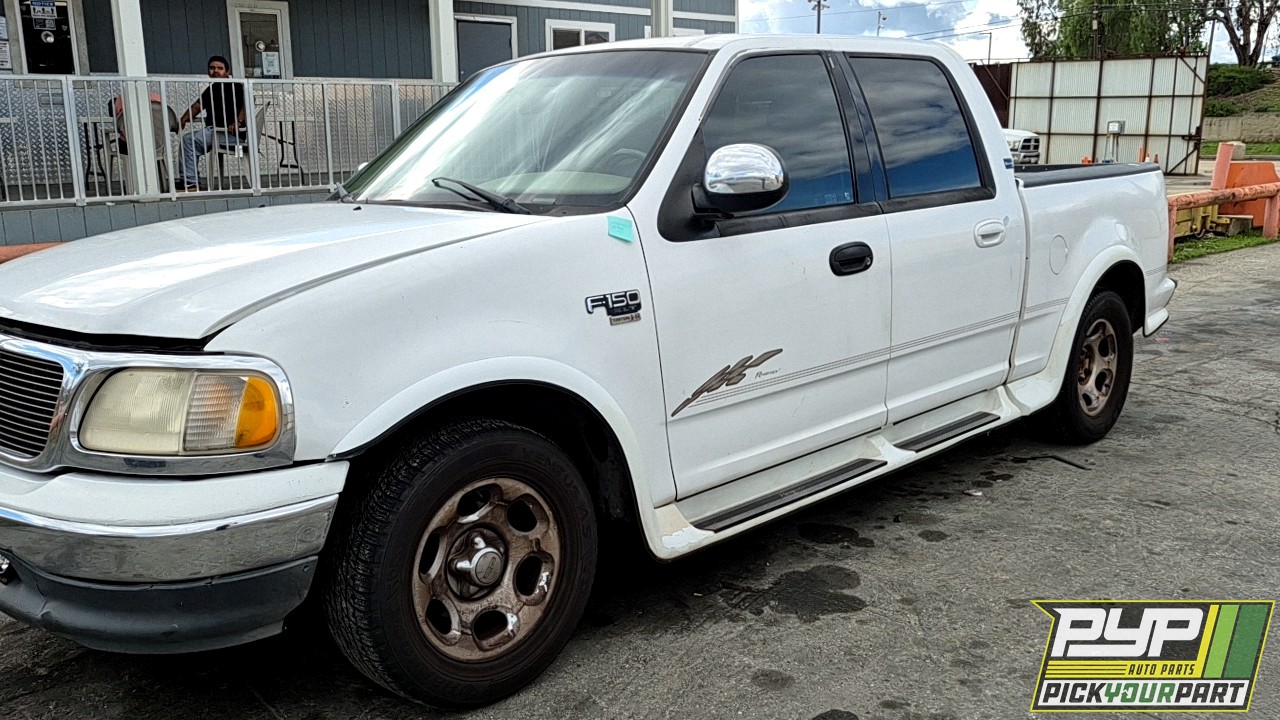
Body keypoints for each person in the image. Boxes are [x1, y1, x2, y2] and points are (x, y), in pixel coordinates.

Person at [176, 55, 247, 191]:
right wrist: (183, 119)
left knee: (189, 140)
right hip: (215, 132)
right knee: (189, 142)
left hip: (231, 135)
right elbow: (197, 106)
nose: (215, 71)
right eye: (212, 68)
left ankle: (190, 183)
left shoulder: (236, 86)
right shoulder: (212, 89)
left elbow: (248, 104)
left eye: (219, 68)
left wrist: (238, 122)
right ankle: (189, 181)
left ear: (227, 72)